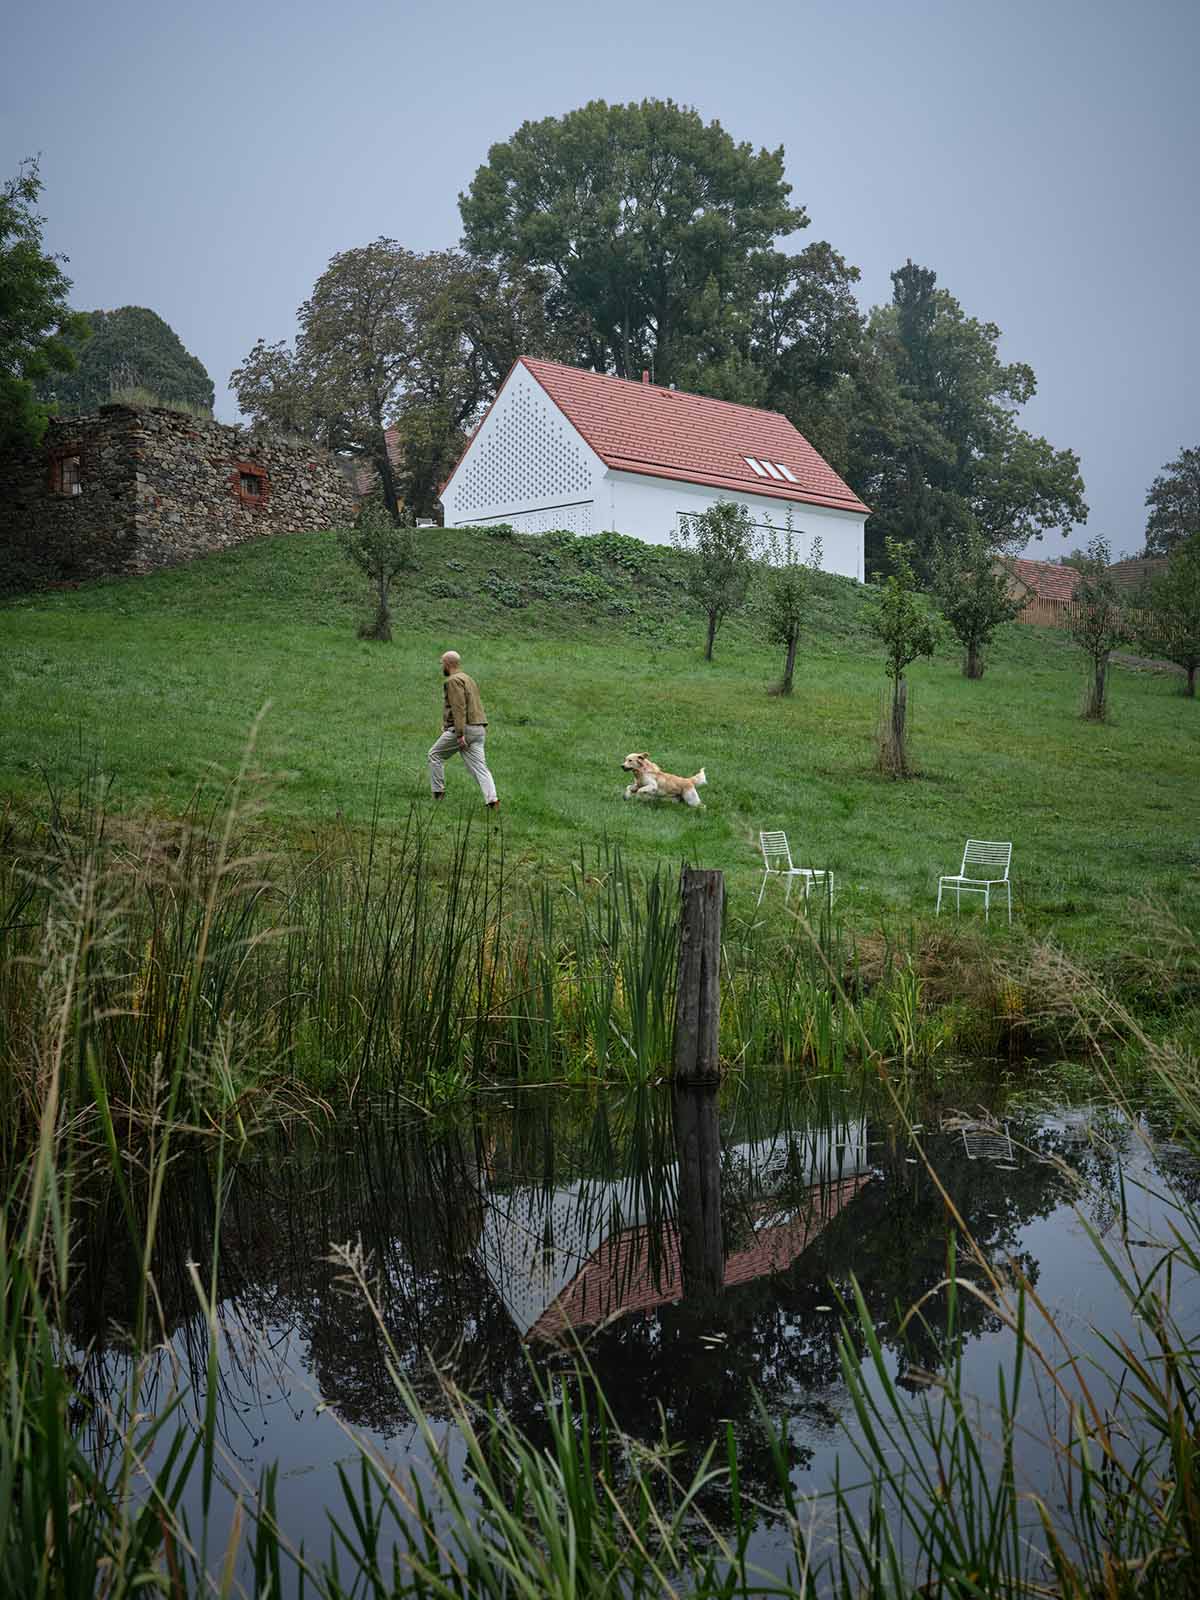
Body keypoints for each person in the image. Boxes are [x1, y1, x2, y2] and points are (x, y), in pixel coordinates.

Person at [428, 650, 499, 810]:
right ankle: (492, 801)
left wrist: (459, 733)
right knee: (480, 768)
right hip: (479, 729)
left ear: (447, 664)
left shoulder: (453, 681)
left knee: (435, 755)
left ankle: (438, 794)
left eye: (442, 664)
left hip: (465, 730)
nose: (441, 667)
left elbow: (459, 708)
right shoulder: (468, 679)